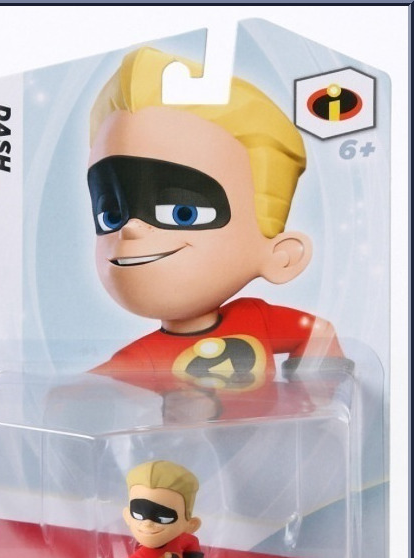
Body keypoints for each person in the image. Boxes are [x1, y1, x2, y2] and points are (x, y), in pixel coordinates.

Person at [87, 47, 351, 395]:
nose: (130, 228)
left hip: (277, 429)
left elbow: (318, 333)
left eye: (183, 212)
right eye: (111, 215)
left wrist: (312, 397)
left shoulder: (257, 319)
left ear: (283, 256)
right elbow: (88, 391)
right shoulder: (146, 357)